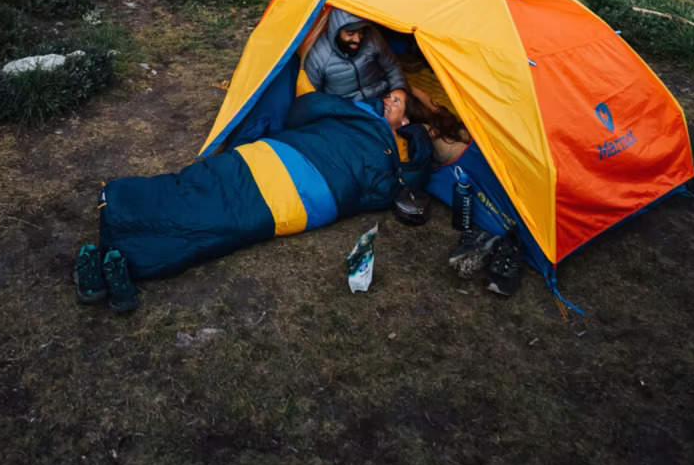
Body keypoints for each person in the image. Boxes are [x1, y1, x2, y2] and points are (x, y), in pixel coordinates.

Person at [73, 88, 432, 312]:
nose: (386, 100)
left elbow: (383, 192)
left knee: (216, 230)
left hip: (296, 198)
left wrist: (416, 144)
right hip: (273, 156)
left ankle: (118, 255)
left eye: (396, 101)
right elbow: (305, 108)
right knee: (196, 187)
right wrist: (363, 107)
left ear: (406, 120)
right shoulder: (360, 115)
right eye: (388, 95)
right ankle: (119, 205)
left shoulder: (397, 164)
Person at [302, 8, 407, 101]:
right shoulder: (319, 54)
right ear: (336, 31)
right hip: (346, 108)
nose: (357, 39)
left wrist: (399, 91)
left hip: (381, 98)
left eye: (360, 33)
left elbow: (392, 67)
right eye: (350, 34)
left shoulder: (372, 37)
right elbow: (312, 98)